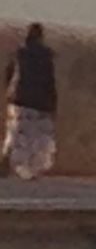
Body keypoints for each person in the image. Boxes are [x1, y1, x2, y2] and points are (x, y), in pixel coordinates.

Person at [2, 23, 58, 180]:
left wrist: (8, 94)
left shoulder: (18, 53)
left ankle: (7, 162)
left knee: (15, 133)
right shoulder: (47, 55)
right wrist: (53, 103)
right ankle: (31, 169)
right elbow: (49, 81)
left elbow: (8, 74)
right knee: (39, 136)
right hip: (40, 102)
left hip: (18, 99)